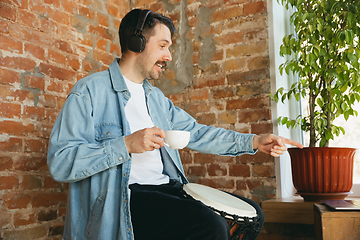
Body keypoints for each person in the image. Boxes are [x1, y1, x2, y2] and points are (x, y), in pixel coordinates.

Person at [47, 9, 303, 240]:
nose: (168, 55)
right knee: (212, 227)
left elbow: (198, 133)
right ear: (137, 43)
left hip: (166, 188)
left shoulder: (156, 98)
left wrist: (253, 141)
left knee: (253, 217)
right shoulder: (89, 92)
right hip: (124, 197)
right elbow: (61, 162)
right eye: (162, 45)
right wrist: (125, 144)